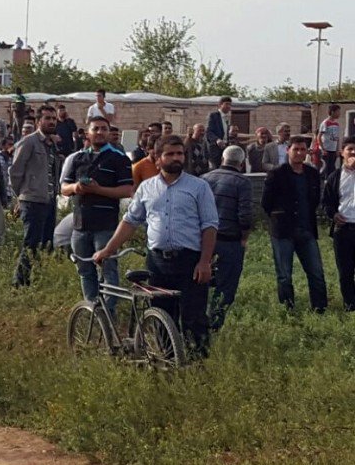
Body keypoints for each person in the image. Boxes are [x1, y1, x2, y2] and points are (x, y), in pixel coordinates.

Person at [93, 135, 218, 355]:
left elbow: (209, 226)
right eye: (170, 154)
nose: (176, 158)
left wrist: (205, 262)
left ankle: (199, 370)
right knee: (161, 315)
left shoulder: (199, 187)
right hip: (158, 262)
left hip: (190, 262)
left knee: (194, 317)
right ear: (157, 158)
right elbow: (130, 222)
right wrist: (108, 249)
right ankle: (167, 363)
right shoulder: (146, 188)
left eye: (179, 153)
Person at [60, 116, 134, 312]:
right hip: (80, 225)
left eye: (104, 129)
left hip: (106, 226)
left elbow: (127, 190)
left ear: (109, 133)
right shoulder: (77, 159)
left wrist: (98, 190)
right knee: (85, 271)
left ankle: (109, 314)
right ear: (87, 133)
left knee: (109, 270)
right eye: (96, 129)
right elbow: (64, 188)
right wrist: (76, 187)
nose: (100, 132)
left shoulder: (119, 159)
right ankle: (94, 312)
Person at [262, 136, 327, 312]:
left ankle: (320, 309)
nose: (299, 153)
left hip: (306, 230)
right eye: (296, 149)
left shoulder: (312, 173)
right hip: (283, 231)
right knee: (284, 275)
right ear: (288, 150)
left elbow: (314, 200)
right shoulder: (277, 174)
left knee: (316, 273)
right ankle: (288, 309)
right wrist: (279, 217)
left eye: (303, 150)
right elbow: (266, 203)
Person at [202, 145, 253, 330]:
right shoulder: (242, 182)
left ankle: (196, 322)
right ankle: (214, 325)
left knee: (199, 280)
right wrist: (244, 238)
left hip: (203, 240)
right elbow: (245, 214)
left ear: (222, 159)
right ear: (241, 163)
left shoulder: (205, 178)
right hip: (230, 239)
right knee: (226, 285)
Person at [9, 105, 59, 287]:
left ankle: (36, 280)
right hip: (32, 201)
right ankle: (19, 284)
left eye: (54, 118)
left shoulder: (52, 144)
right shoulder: (29, 142)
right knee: (31, 244)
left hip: (49, 200)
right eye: (47, 118)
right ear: (38, 121)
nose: (52, 121)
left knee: (46, 244)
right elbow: (15, 172)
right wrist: (21, 195)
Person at [323, 137, 355, 312]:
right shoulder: (335, 176)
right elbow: (326, 202)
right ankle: (350, 306)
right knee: (345, 272)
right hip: (343, 230)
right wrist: (333, 214)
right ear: (342, 152)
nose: (353, 153)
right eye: (350, 149)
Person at [206, 96, 233, 169]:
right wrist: (217, 140)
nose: (229, 106)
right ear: (220, 104)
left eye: (230, 105)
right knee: (216, 168)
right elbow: (209, 131)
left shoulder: (227, 118)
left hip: (225, 147)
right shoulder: (213, 115)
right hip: (215, 147)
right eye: (227, 104)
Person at [318, 104, 342, 174]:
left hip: (333, 150)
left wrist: (337, 150)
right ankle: (324, 182)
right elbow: (319, 137)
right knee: (326, 168)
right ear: (332, 112)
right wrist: (323, 149)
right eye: (338, 112)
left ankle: (330, 183)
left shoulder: (336, 124)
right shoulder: (325, 123)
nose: (339, 114)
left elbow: (337, 138)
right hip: (326, 150)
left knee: (332, 168)